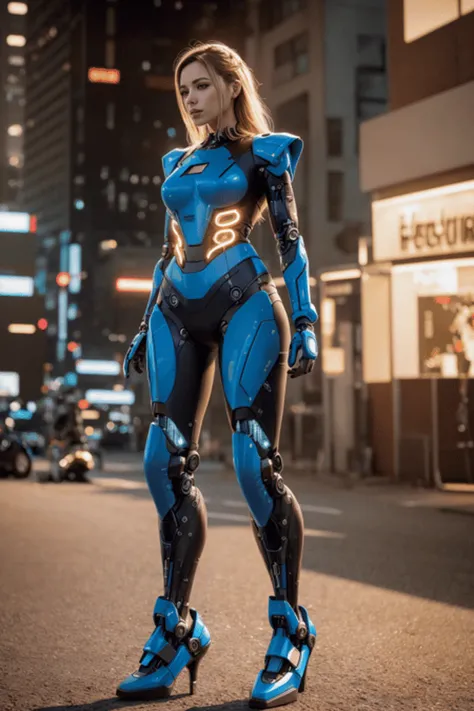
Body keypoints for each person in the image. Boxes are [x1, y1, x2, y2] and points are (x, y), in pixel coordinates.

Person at [119, 41, 318, 708]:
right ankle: (177, 626)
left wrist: (308, 318)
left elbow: (290, 240)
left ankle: (291, 627)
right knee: (159, 463)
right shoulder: (180, 159)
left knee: (253, 461)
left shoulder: (265, 153)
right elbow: (169, 249)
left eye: (202, 85)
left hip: (245, 305)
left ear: (232, 85)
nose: (192, 98)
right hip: (176, 308)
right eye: (185, 90)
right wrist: (146, 320)